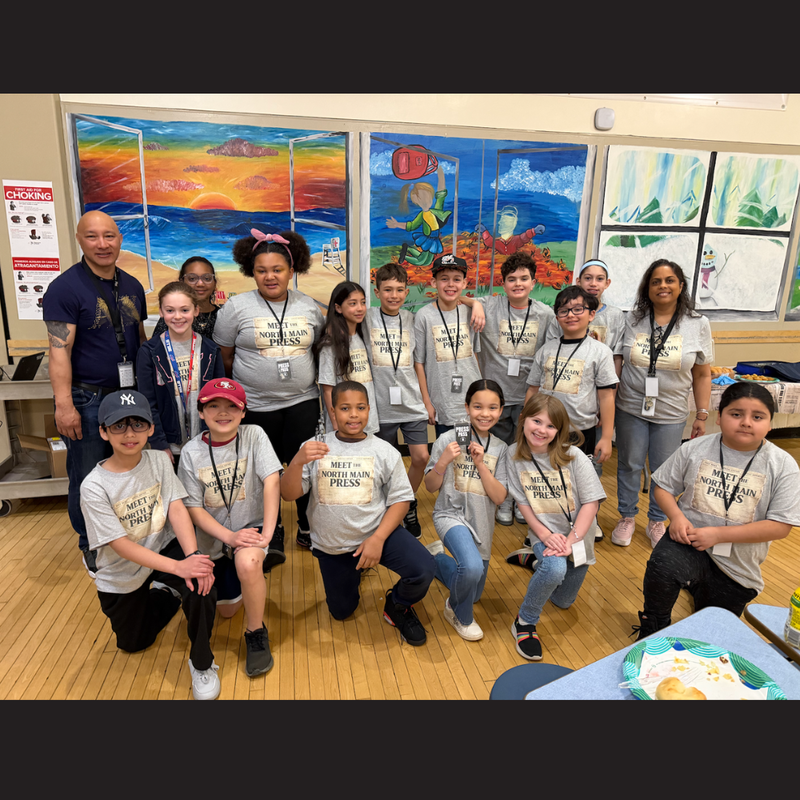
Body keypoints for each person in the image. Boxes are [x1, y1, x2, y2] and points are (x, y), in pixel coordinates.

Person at [79, 390, 220, 700]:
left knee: (201, 584)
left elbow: (176, 508)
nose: (130, 434)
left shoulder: (158, 460)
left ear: (151, 429)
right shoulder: (93, 486)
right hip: (122, 567)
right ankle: (167, 591)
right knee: (133, 642)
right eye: (119, 426)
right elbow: (120, 545)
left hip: (162, 546)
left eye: (138, 424)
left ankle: (202, 663)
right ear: (103, 431)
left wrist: (192, 556)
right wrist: (178, 568)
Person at [632, 382, 800, 639]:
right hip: (688, 542)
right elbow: (663, 487)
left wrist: (719, 535)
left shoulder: (783, 465)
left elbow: (780, 526)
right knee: (663, 566)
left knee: (711, 633)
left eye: (757, 417)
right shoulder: (694, 448)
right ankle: (653, 625)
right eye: (736, 414)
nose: (746, 422)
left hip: (737, 561)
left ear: (770, 423)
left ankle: (700, 588)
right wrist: (676, 517)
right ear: (718, 417)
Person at [281, 380, 434, 645]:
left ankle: (397, 605)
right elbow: (288, 494)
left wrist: (377, 539)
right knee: (341, 611)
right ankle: (354, 570)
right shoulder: (315, 447)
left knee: (423, 568)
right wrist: (297, 461)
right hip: (333, 545)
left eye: (360, 407)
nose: (353, 414)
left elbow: (401, 500)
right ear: (332, 412)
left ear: (369, 410)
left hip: (378, 535)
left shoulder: (384, 451)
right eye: (345, 408)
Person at [43, 210, 148, 578]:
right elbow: (58, 350)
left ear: (120, 239)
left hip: (129, 398)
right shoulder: (64, 288)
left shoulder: (133, 285)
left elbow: (140, 341)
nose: (102, 244)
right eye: (92, 237)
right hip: (87, 399)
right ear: (79, 239)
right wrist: (64, 404)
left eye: (109, 236)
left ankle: (127, 536)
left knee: (129, 472)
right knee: (87, 476)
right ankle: (91, 542)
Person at [214, 229, 324, 557]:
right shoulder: (236, 307)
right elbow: (226, 356)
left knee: (304, 465)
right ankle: (271, 528)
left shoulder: (309, 306)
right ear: (252, 272)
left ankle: (307, 526)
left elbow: (318, 351)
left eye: (277, 269)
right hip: (257, 406)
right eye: (261, 270)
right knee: (265, 470)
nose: (269, 276)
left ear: (292, 270)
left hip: (303, 401)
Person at [178, 378, 282, 677]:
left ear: (243, 412)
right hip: (215, 537)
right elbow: (193, 508)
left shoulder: (255, 435)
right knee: (226, 610)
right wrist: (229, 537)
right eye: (213, 406)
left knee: (248, 564)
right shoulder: (190, 452)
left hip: (252, 528)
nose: (223, 413)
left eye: (231, 407)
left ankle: (256, 633)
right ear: (201, 412)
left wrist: (266, 536)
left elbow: (272, 480)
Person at [612, 259, 713, 549]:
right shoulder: (631, 319)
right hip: (631, 405)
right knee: (629, 463)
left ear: (681, 286)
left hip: (671, 411)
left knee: (664, 468)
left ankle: (657, 520)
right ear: (648, 287)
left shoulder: (698, 324)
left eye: (670, 280)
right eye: (656, 281)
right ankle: (627, 516)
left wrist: (702, 414)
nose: (663, 286)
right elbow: (618, 361)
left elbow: (702, 372)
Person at [505, 394, 606, 660]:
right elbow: (523, 504)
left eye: (551, 426)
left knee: (562, 601)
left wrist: (571, 540)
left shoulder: (574, 457)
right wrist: (546, 535)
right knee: (554, 568)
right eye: (536, 421)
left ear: (559, 431)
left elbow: (591, 504)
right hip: (544, 533)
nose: (541, 430)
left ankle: (533, 562)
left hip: (577, 535)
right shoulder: (512, 455)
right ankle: (524, 622)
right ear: (523, 419)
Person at [424, 380, 508, 641]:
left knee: (474, 589)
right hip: (450, 514)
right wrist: (443, 461)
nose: (485, 413)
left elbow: (499, 497)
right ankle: (458, 613)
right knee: (470, 569)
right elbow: (429, 486)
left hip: (482, 522)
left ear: (501, 411)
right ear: (467, 407)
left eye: (492, 407)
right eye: (478, 406)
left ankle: (436, 559)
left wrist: (481, 464)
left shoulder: (502, 449)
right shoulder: (447, 439)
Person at [472, 251, 552, 526]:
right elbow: (457, 296)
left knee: (526, 451)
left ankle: (523, 501)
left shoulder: (546, 314)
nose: (517, 284)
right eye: (511, 279)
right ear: (502, 284)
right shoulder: (491, 306)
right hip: (496, 397)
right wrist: (475, 304)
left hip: (530, 395)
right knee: (500, 450)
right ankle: (504, 499)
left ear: (533, 282)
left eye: (523, 278)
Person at [366, 263, 430, 538]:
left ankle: (406, 502)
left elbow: (419, 364)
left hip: (411, 403)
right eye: (388, 290)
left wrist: (426, 402)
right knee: (385, 465)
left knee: (421, 457)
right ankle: (388, 507)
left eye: (400, 290)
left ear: (407, 291)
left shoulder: (414, 320)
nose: (394, 295)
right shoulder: (365, 318)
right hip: (380, 407)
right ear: (377, 291)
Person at [136, 281, 225, 471]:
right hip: (169, 447)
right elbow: (147, 403)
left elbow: (219, 401)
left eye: (184, 310)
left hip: (205, 442)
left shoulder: (210, 350)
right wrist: (159, 444)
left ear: (196, 310)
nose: (177, 317)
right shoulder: (149, 352)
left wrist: (215, 437)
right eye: (170, 310)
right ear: (161, 312)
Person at [525, 285, 618, 462]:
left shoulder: (601, 352)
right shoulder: (546, 350)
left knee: (574, 482)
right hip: (542, 429)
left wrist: (606, 437)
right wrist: (525, 423)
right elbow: (533, 389)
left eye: (577, 309)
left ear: (591, 314)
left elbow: (606, 397)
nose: (570, 315)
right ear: (557, 317)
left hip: (580, 431)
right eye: (564, 311)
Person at [413, 254, 482, 437]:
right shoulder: (424, 316)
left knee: (470, 452)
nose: (451, 284)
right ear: (434, 283)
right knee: (447, 451)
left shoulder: (470, 312)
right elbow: (418, 362)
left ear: (465, 283)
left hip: (471, 398)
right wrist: (427, 402)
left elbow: (475, 355)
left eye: (456, 279)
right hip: (442, 400)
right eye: (444, 279)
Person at [316, 281, 380, 436]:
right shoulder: (330, 344)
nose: (360, 308)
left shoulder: (361, 334)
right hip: (344, 424)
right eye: (353, 303)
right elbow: (327, 388)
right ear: (338, 308)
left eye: (363, 302)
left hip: (367, 421)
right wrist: (336, 424)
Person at [545, 259, 626, 376]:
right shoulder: (563, 314)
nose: (593, 283)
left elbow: (617, 357)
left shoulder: (615, 315)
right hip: (566, 375)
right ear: (578, 281)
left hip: (601, 378)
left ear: (607, 283)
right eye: (588, 278)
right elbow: (551, 350)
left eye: (600, 279)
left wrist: (613, 390)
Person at [386, 166, 450, 267]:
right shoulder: (422, 215)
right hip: (429, 239)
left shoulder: (436, 211)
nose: (426, 202)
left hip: (434, 239)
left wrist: (441, 176)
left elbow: (441, 194)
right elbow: (412, 225)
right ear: (417, 202)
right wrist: (397, 224)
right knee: (422, 261)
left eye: (428, 199)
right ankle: (404, 256)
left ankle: (407, 248)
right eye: (422, 200)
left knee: (426, 260)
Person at [151, 256, 221, 340]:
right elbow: (155, 349)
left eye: (207, 278)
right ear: (182, 282)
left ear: (214, 283)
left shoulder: (223, 316)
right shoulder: (173, 317)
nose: (200, 284)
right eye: (192, 278)